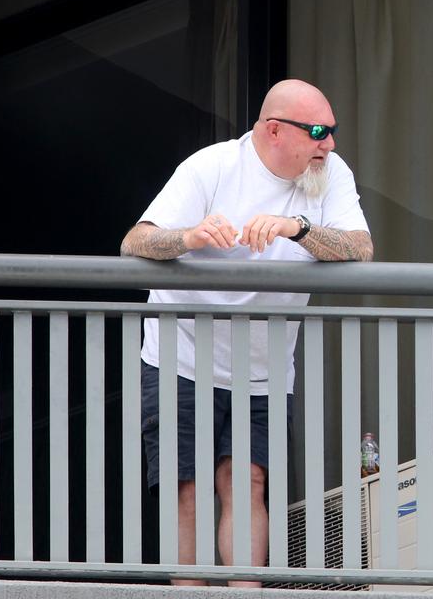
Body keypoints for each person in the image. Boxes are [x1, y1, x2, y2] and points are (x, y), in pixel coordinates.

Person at [120, 79, 373, 586]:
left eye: (333, 131)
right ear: (275, 130)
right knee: (184, 486)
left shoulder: (328, 172)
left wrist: (295, 228)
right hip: (181, 354)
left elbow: (360, 248)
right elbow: (136, 241)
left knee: (248, 482)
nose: (330, 144)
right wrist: (189, 237)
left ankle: (244, 596)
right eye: (320, 131)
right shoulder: (212, 166)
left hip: (263, 365)